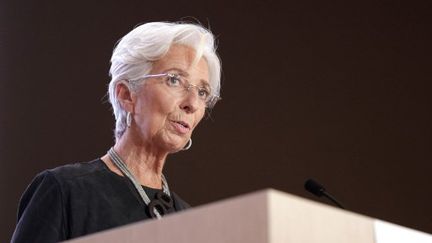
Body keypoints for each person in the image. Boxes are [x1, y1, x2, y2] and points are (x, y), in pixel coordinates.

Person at [11, 21, 222, 242]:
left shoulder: (189, 221)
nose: (192, 104)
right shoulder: (65, 192)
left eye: (202, 92)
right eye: (174, 80)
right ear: (126, 95)